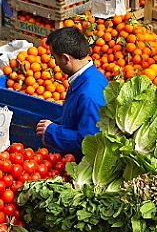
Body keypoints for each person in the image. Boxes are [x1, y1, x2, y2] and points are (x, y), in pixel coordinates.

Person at [35, 27, 108, 159]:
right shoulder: (90, 77)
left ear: (65, 58)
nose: (55, 63)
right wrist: (55, 125)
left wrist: (53, 132)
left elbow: (88, 142)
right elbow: (77, 118)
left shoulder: (89, 95)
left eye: (55, 57)